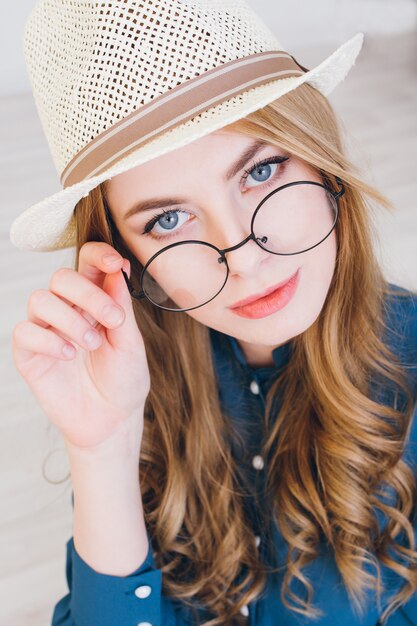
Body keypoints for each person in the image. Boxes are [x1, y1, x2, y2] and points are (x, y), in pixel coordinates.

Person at [9, 1, 417, 625]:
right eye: (169, 220)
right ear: (126, 255)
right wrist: (103, 452)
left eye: (260, 170)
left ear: (319, 157)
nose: (243, 256)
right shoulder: (136, 390)